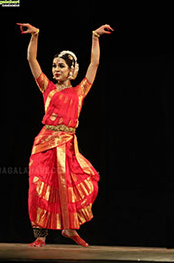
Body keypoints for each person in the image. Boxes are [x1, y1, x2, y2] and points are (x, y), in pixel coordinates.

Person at [16, 22, 114, 247]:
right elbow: (32, 60)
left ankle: (69, 229)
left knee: (69, 186)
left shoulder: (80, 91)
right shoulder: (46, 88)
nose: (56, 69)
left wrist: (95, 37)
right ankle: (40, 236)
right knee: (38, 186)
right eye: (54, 66)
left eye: (61, 66)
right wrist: (36, 35)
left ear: (72, 70)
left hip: (68, 145)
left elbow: (95, 63)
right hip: (44, 144)